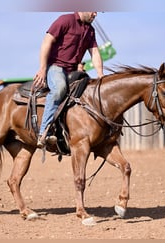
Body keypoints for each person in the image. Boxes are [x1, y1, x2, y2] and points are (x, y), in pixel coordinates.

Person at [33, 12, 104, 148]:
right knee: (60, 88)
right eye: (93, 11)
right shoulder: (65, 20)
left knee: (90, 92)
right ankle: (43, 133)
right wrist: (42, 68)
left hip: (73, 71)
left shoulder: (90, 30)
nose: (95, 14)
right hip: (55, 67)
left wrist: (101, 75)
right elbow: (46, 42)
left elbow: (94, 52)